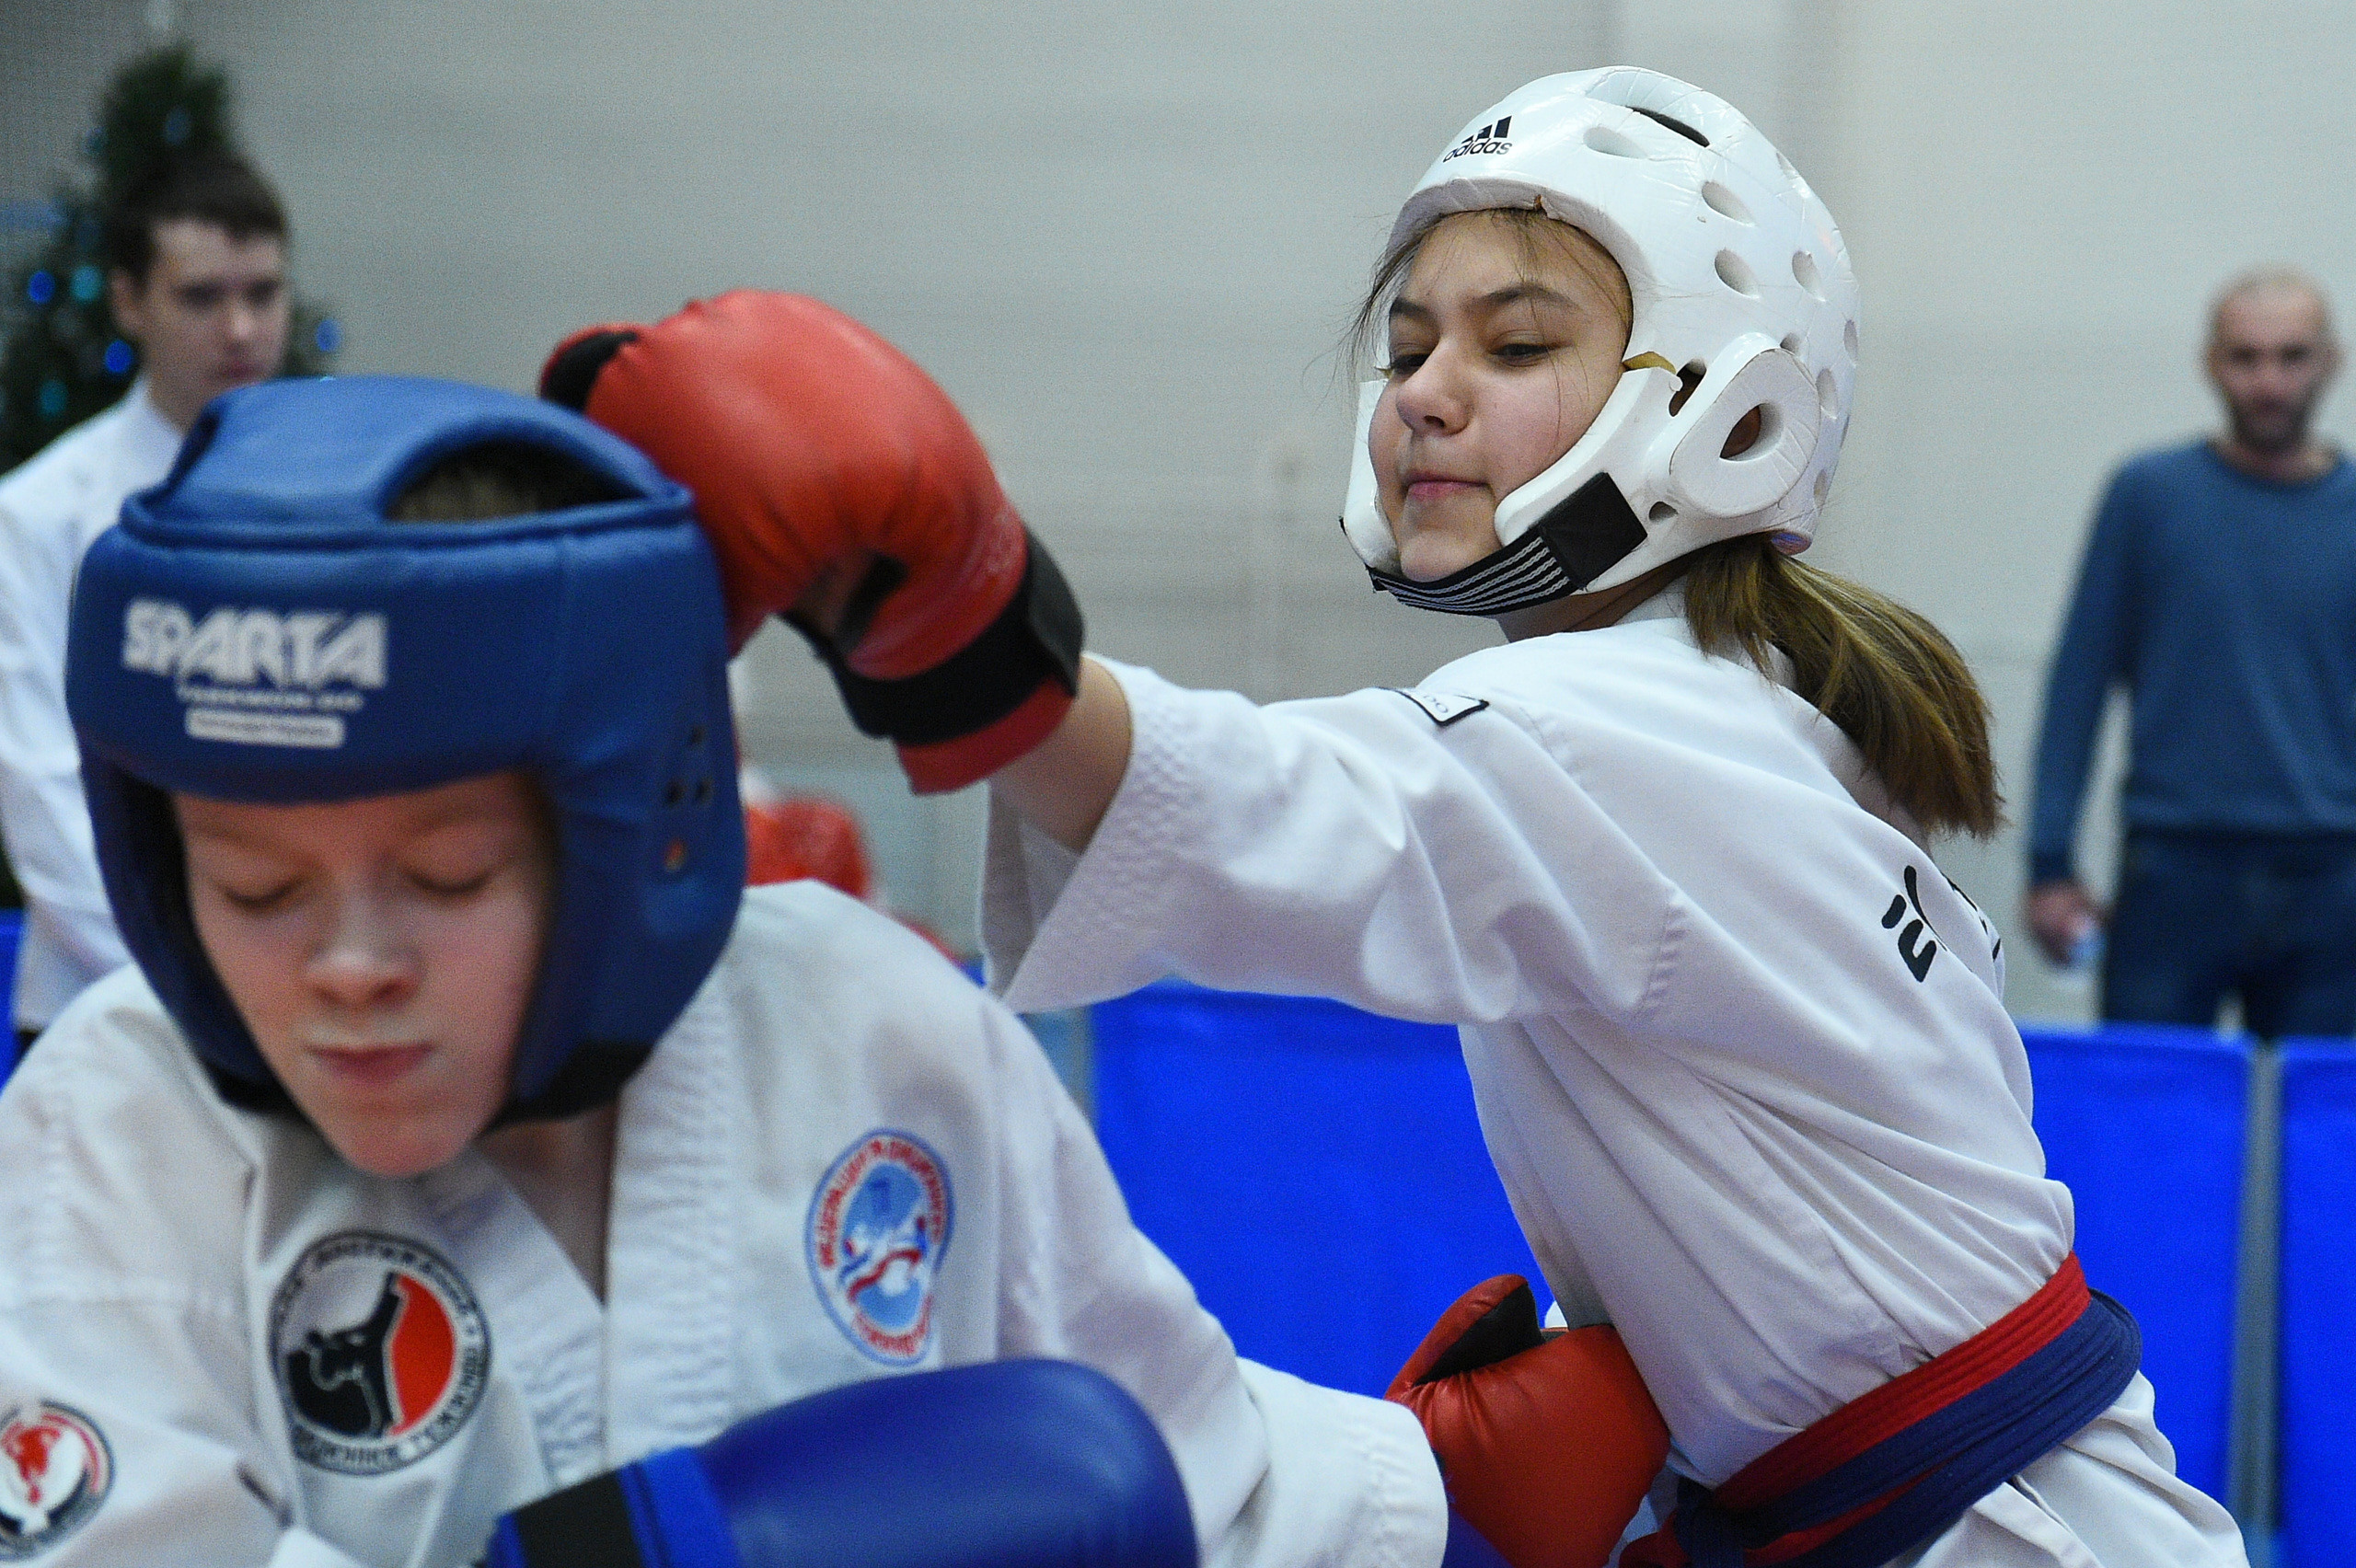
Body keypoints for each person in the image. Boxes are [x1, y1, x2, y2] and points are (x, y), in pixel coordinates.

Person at [551, 69, 2248, 1568]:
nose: (1427, 390)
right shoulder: (1737, 704)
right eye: (1412, 340)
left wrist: (946, 611)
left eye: (1516, 344)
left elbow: (1276, 808)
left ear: (1719, 407)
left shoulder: (1613, 725)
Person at [0, 373, 1662, 1568]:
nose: (350, 963)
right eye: (255, 882)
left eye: (446, 874)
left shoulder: (871, 1026)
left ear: (625, 826)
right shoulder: (123, 1125)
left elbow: (1166, 1458)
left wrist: (1438, 1494)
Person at [0, 149, 292, 1048]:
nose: (241, 329)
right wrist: (198, 983)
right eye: (202, 298)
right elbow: (38, 784)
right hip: (103, 1004)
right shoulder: (38, 514)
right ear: (130, 301)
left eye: (264, 293)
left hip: (299, 996)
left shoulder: (338, 502)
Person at [2026, 268, 2356, 1035]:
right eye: (2246, 358)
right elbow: (2079, 684)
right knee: (2151, 1118)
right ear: (2212, 363)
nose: (2269, 382)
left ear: (2330, 361)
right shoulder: (2149, 497)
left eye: (2291, 356)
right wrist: (2049, 862)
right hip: (2176, 870)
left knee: (2322, 1137)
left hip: (2333, 878)